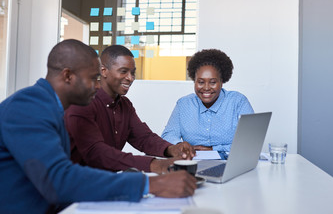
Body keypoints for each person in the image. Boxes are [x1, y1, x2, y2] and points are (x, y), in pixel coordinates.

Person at [0, 40, 196, 214]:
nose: (97, 85)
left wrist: (166, 155)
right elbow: (58, 179)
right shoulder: (28, 107)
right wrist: (150, 183)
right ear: (68, 76)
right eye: (93, 78)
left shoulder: (50, 107)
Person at [65, 45, 195, 174]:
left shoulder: (125, 105)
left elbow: (143, 138)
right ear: (103, 71)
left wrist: (171, 149)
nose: (130, 78)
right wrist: (155, 164)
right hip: (78, 184)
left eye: (133, 73)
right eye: (123, 71)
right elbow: (97, 152)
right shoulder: (84, 102)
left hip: (107, 181)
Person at [162, 49, 254, 152]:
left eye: (213, 82)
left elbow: (250, 141)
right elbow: (168, 135)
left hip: (230, 163)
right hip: (192, 163)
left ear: (222, 82)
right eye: (201, 82)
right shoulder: (184, 104)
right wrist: (180, 146)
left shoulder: (238, 102)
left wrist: (213, 149)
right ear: (194, 81)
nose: (206, 88)